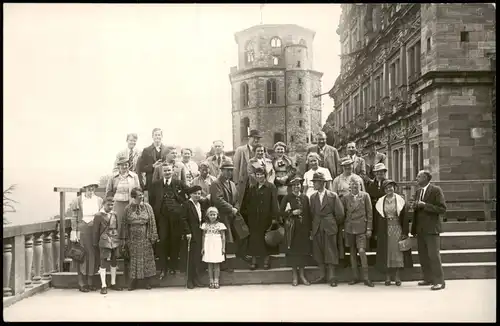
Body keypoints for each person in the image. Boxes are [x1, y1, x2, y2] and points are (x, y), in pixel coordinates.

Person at [150, 163, 189, 279]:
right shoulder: (156, 185)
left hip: (175, 217)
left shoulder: (178, 183)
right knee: (162, 241)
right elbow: (152, 200)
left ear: (173, 171)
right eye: (165, 171)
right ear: (162, 172)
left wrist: (180, 205)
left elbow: (187, 194)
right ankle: (163, 268)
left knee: (175, 240)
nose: (167, 172)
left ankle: (172, 267)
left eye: (169, 170)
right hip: (162, 217)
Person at [210, 159, 250, 271]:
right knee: (225, 239)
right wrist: (231, 209)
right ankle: (223, 263)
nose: (229, 173)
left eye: (231, 170)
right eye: (227, 170)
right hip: (222, 215)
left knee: (244, 232)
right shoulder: (216, 183)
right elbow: (218, 200)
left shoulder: (232, 183)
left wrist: (236, 208)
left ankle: (241, 254)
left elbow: (236, 198)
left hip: (233, 213)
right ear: (221, 170)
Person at [411, 170, 447, 291]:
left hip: (432, 229)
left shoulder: (436, 190)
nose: (416, 178)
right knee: (423, 256)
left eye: (419, 176)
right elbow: (417, 210)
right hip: (420, 229)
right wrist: (414, 205)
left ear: (426, 177)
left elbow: (442, 208)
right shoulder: (417, 192)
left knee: (433, 255)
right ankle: (428, 278)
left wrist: (424, 205)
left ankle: (439, 281)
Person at [309, 172, 345, 287]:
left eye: (315, 182)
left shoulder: (332, 196)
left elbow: (340, 214)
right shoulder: (313, 197)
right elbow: (312, 213)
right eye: (313, 182)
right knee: (318, 251)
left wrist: (332, 223)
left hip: (329, 227)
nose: (314, 184)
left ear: (321, 183)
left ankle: (332, 276)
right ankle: (322, 275)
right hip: (317, 227)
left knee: (331, 250)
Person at [375, 180, 413, 286]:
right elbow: (378, 219)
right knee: (386, 253)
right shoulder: (380, 201)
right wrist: (377, 232)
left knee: (397, 252)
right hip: (385, 229)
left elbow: (405, 218)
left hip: (397, 228)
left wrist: (405, 232)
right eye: (387, 188)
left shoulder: (400, 200)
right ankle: (387, 277)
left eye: (391, 187)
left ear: (394, 188)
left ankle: (397, 276)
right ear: (384, 190)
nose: (389, 189)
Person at [241, 167, 280, 270]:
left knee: (265, 239)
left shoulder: (271, 187)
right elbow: (247, 202)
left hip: (266, 217)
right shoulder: (252, 188)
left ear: (265, 175)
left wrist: (274, 217)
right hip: (254, 218)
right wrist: (248, 214)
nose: (259, 177)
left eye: (261, 174)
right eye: (257, 175)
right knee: (254, 239)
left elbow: (274, 203)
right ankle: (253, 261)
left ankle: (266, 261)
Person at [121, 187, 158, 291]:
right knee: (133, 260)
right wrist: (124, 239)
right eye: (139, 195)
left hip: (145, 237)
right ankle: (133, 282)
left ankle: (147, 282)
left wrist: (152, 236)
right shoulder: (127, 208)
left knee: (146, 259)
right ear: (133, 197)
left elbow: (152, 221)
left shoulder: (148, 207)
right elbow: (124, 223)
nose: (141, 196)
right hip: (132, 238)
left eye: (142, 194)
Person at [70, 183, 103, 292]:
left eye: (93, 187)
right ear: (84, 188)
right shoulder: (78, 200)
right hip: (82, 229)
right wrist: (74, 231)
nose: (90, 189)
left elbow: (102, 216)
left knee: (93, 255)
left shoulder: (99, 200)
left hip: (94, 229)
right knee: (81, 255)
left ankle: (90, 282)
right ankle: (81, 283)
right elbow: (74, 217)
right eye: (88, 187)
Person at [341, 179, 374, 287]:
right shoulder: (345, 198)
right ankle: (355, 277)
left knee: (361, 251)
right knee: (352, 252)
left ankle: (366, 277)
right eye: (353, 186)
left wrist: (369, 228)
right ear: (350, 187)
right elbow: (343, 213)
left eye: (357, 186)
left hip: (362, 228)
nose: (355, 188)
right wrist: (343, 229)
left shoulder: (365, 196)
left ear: (360, 186)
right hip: (349, 228)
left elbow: (369, 213)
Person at [280, 177, 312, 286]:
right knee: (293, 252)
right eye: (294, 185)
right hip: (292, 229)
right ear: (291, 187)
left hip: (303, 229)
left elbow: (308, 214)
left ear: (301, 186)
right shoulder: (287, 198)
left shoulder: (305, 198)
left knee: (303, 251)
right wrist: (291, 213)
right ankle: (294, 275)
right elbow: (280, 213)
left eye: (298, 185)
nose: (296, 187)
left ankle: (302, 275)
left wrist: (309, 229)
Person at [93, 197, 123, 294]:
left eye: (112, 205)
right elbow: (95, 231)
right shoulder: (98, 215)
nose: (110, 207)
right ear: (103, 204)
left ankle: (113, 283)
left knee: (114, 261)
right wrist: (95, 243)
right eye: (108, 205)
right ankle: (103, 285)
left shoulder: (114, 214)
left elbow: (116, 227)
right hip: (104, 239)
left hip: (114, 239)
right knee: (103, 261)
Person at [182, 185, 210, 289]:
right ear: (190, 194)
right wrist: (187, 232)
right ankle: (189, 279)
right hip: (190, 234)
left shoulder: (200, 204)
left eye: (199, 193)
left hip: (199, 233)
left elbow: (202, 218)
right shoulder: (187, 204)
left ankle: (196, 278)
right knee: (191, 257)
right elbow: (183, 219)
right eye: (195, 194)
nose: (197, 195)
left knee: (197, 257)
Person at [106, 156, 141, 234]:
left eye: (126, 164)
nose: (124, 167)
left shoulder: (134, 176)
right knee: (118, 224)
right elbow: (109, 192)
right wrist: (110, 205)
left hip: (130, 203)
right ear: (118, 166)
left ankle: (129, 244)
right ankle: (118, 243)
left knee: (130, 223)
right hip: (117, 204)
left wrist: (137, 204)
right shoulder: (113, 177)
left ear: (129, 165)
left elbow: (138, 191)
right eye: (122, 165)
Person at [233, 129, 262, 206]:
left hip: (256, 183)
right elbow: (235, 167)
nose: (256, 140)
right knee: (242, 204)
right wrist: (235, 183)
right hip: (243, 183)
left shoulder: (260, 151)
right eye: (254, 138)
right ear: (249, 138)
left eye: (258, 139)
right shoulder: (240, 150)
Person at [201, 207, 227, 289]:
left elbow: (223, 237)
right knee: (210, 264)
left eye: (214, 214)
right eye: (211, 215)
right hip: (208, 245)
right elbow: (203, 236)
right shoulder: (205, 225)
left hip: (217, 245)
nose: (213, 216)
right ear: (207, 215)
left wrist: (223, 248)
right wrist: (203, 247)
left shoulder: (220, 225)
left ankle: (216, 281)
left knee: (216, 264)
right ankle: (211, 281)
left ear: (217, 215)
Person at [138, 128, 168, 195]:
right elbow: (141, 168)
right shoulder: (146, 150)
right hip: (151, 181)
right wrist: (152, 166)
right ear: (152, 136)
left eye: (159, 135)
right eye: (155, 135)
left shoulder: (167, 150)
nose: (157, 137)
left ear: (162, 136)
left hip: (164, 180)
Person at [365, 163, 388, 251]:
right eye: (377, 172)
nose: (379, 174)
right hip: (373, 209)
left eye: (381, 172)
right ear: (375, 173)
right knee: (375, 227)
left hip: (385, 210)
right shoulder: (371, 184)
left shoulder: (387, 183)